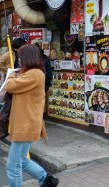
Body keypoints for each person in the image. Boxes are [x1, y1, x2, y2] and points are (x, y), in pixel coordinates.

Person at [5, 44, 59, 187]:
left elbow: (9, 86)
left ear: (27, 58)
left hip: (26, 125)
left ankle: (45, 179)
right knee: (21, 161)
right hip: (26, 123)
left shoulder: (34, 74)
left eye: (21, 57)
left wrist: (12, 74)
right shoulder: (31, 73)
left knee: (12, 165)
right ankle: (45, 179)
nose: (19, 60)